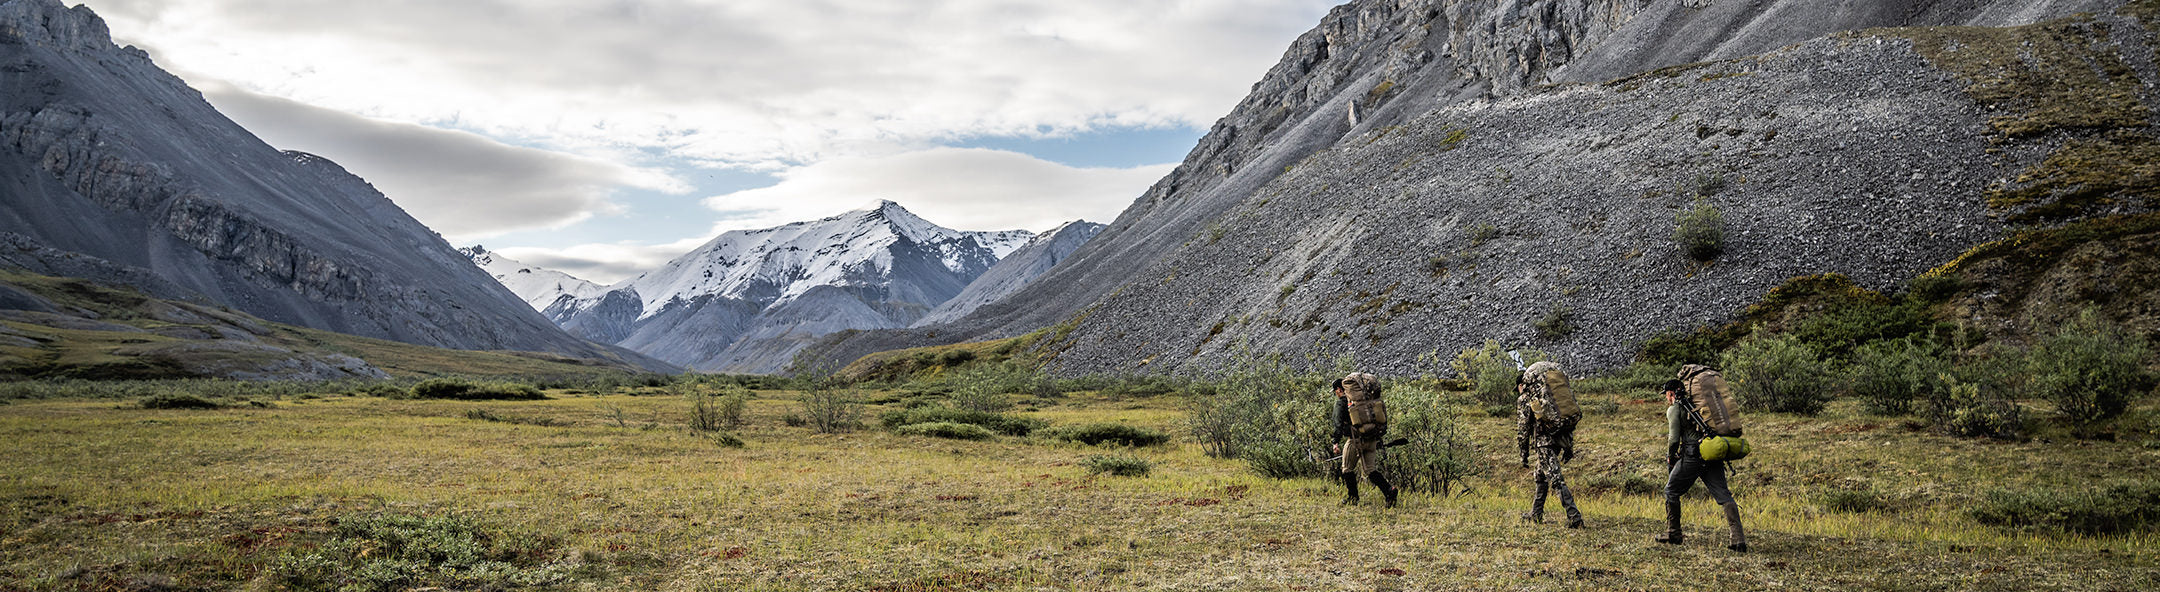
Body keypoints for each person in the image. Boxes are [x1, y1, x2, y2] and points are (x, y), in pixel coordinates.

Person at [1656, 379, 1748, 552]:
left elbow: (1674, 438)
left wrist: (1671, 456)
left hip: (1692, 455)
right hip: (1711, 452)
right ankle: (1738, 539)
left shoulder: (1675, 409)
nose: (1667, 399)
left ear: (1671, 394)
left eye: (1667, 395)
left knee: (1671, 490)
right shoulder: (1700, 407)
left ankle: (1673, 533)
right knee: (1723, 495)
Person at [1515, 361, 1583, 528]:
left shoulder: (1526, 398)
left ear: (1522, 385)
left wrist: (1523, 454)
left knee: (1555, 478)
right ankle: (1536, 513)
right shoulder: (1549, 395)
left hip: (1544, 442)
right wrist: (1569, 446)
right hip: (1559, 437)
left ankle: (1575, 517)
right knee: (1540, 474)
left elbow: (1523, 429)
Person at [1330, 373, 1398, 508]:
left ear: (1339, 389)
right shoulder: (1366, 401)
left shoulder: (1342, 403)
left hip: (1355, 441)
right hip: (1372, 438)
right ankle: (1389, 491)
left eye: (1335, 392)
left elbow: (1337, 425)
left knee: (1347, 469)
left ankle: (1353, 497)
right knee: (1370, 470)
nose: (1336, 394)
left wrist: (1335, 442)